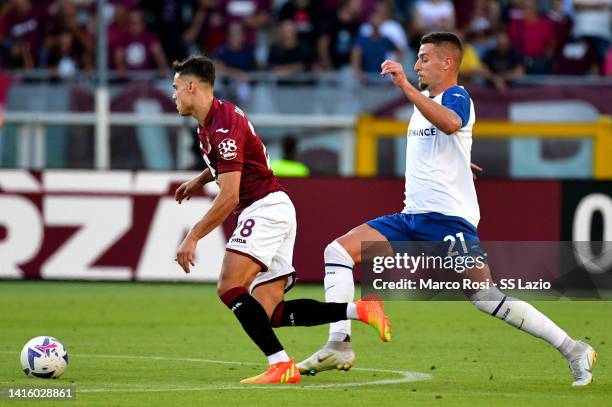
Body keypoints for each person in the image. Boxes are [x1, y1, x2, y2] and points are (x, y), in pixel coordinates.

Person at [297, 32, 597, 387]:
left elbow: (453, 123)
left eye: (424, 58)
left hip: (446, 220)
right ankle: (339, 343)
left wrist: (405, 88)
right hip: (412, 217)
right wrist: (460, 162)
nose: (417, 64)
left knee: (485, 297)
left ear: (447, 62)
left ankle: (573, 348)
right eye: (417, 58)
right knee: (337, 251)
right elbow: (446, 139)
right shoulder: (425, 100)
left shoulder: (457, 95)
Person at [171, 55, 391, 384]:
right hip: (273, 207)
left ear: (192, 87)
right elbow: (227, 160)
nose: (173, 95)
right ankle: (359, 310)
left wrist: (193, 237)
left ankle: (280, 364)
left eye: (175, 88)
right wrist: (199, 180)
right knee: (271, 311)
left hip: (264, 209)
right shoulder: (213, 121)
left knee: (230, 287)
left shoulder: (222, 127)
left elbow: (229, 195)